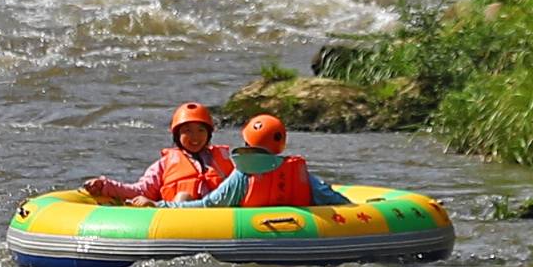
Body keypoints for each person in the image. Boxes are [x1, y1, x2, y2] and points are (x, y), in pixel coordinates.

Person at [189, 114, 352, 209]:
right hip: (300, 236)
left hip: (251, 237)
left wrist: (167, 207)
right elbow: (332, 198)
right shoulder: (298, 173)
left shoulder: (242, 174)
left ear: (247, 142)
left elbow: (209, 204)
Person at [82, 102, 233, 205]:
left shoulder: (223, 160)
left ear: (209, 134)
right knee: (183, 196)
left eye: (201, 130)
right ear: (177, 136)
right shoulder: (164, 164)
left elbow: (242, 184)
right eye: (187, 131)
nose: (195, 137)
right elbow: (140, 190)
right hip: (180, 217)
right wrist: (105, 186)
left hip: (219, 214)